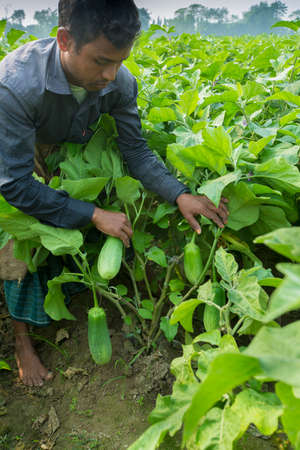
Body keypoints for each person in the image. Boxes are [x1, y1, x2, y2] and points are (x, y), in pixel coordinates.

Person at [0, 0, 228, 387]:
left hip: (69, 145)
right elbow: (15, 184)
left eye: (120, 61)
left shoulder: (118, 82)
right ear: (65, 40)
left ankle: (68, 289)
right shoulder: (15, 85)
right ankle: (22, 339)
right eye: (101, 61)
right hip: (17, 150)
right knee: (16, 240)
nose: (110, 74)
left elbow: (135, 150)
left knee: (68, 223)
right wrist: (90, 213)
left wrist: (179, 194)